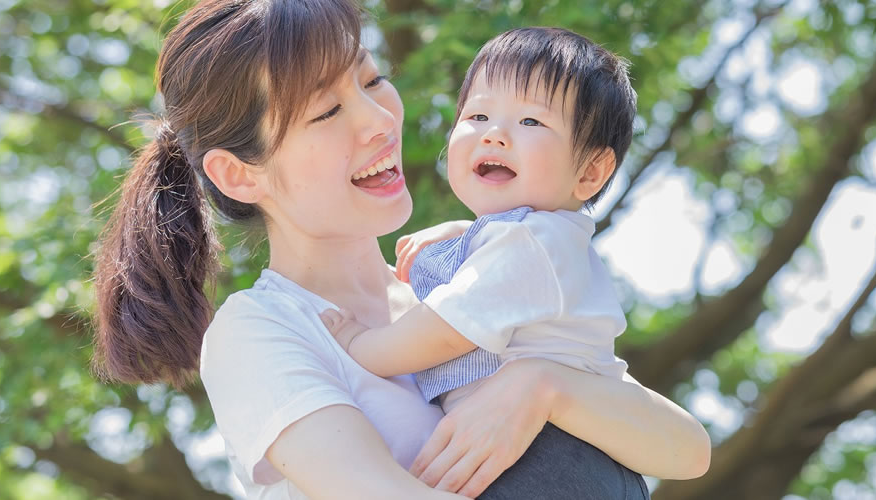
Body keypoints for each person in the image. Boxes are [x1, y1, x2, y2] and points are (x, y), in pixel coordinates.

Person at [90, 0, 710, 499]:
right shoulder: (263, 330)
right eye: (328, 110)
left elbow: (686, 452)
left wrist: (543, 384)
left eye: (372, 79)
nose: (379, 120)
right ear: (240, 175)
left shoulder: (456, 286)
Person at [321, 26, 650, 498]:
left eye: (531, 122)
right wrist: (462, 232)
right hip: (564, 452)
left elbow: (445, 331)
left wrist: (359, 344)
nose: (495, 134)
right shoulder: (539, 241)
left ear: (590, 171)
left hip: (553, 458)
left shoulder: (530, 245)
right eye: (477, 114)